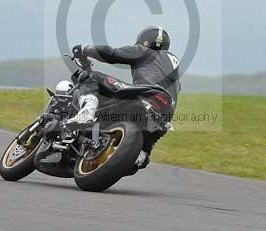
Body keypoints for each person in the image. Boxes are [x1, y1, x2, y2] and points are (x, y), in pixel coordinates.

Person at [67, 25, 181, 168]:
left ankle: (88, 110)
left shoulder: (146, 51)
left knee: (92, 77)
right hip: (164, 112)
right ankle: (142, 154)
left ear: (145, 40)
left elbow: (112, 54)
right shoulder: (175, 69)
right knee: (147, 145)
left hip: (144, 94)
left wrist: (84, 49)